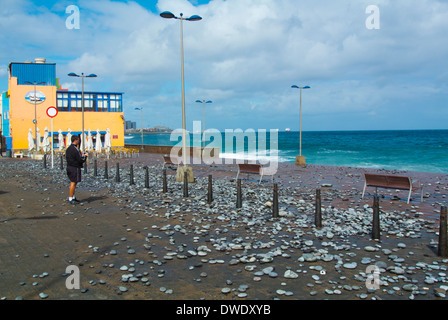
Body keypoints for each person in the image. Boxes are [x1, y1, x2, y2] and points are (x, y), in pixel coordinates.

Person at [65, 135, 88, 204]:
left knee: (74, 182)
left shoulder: (69, 148)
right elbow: (80, 160)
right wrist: (85, 157)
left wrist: (81, 156)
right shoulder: (75, 149)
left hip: (69, 166)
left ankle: (73, 197)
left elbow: (73, 157)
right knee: (73, 182)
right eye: (78, 140)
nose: (79, 141)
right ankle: (70, 198)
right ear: (76, 140)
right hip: (74, 167)